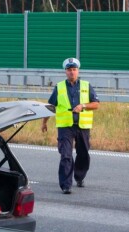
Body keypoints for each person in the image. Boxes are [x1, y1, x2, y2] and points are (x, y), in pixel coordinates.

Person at [41, 58, 100, 194]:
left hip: (82, 126)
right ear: (65, 72)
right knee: (66, 155)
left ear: (78, 71)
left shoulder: (86, 85)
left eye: (74, 70)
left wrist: (83, 106)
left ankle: (79, 177)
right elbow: (51, 106)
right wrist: (44, 122)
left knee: (83, 153)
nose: (72, 72)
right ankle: (66, 185)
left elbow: (96, 104)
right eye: (69, 70)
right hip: (65, 126)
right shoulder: (60, 87)